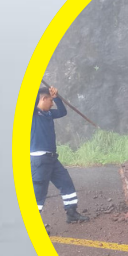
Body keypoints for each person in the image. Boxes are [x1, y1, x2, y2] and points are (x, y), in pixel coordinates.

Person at [29, 84, 91, 223]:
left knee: (66, 182)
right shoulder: (33, 114)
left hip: (51, 159)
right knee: (39, 192)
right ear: (43, 99)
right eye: (51, 101)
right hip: (40, 160)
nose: (52, 104)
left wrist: (56, 97)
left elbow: (62, 112)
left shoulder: (49, 114)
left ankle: (71, 213)